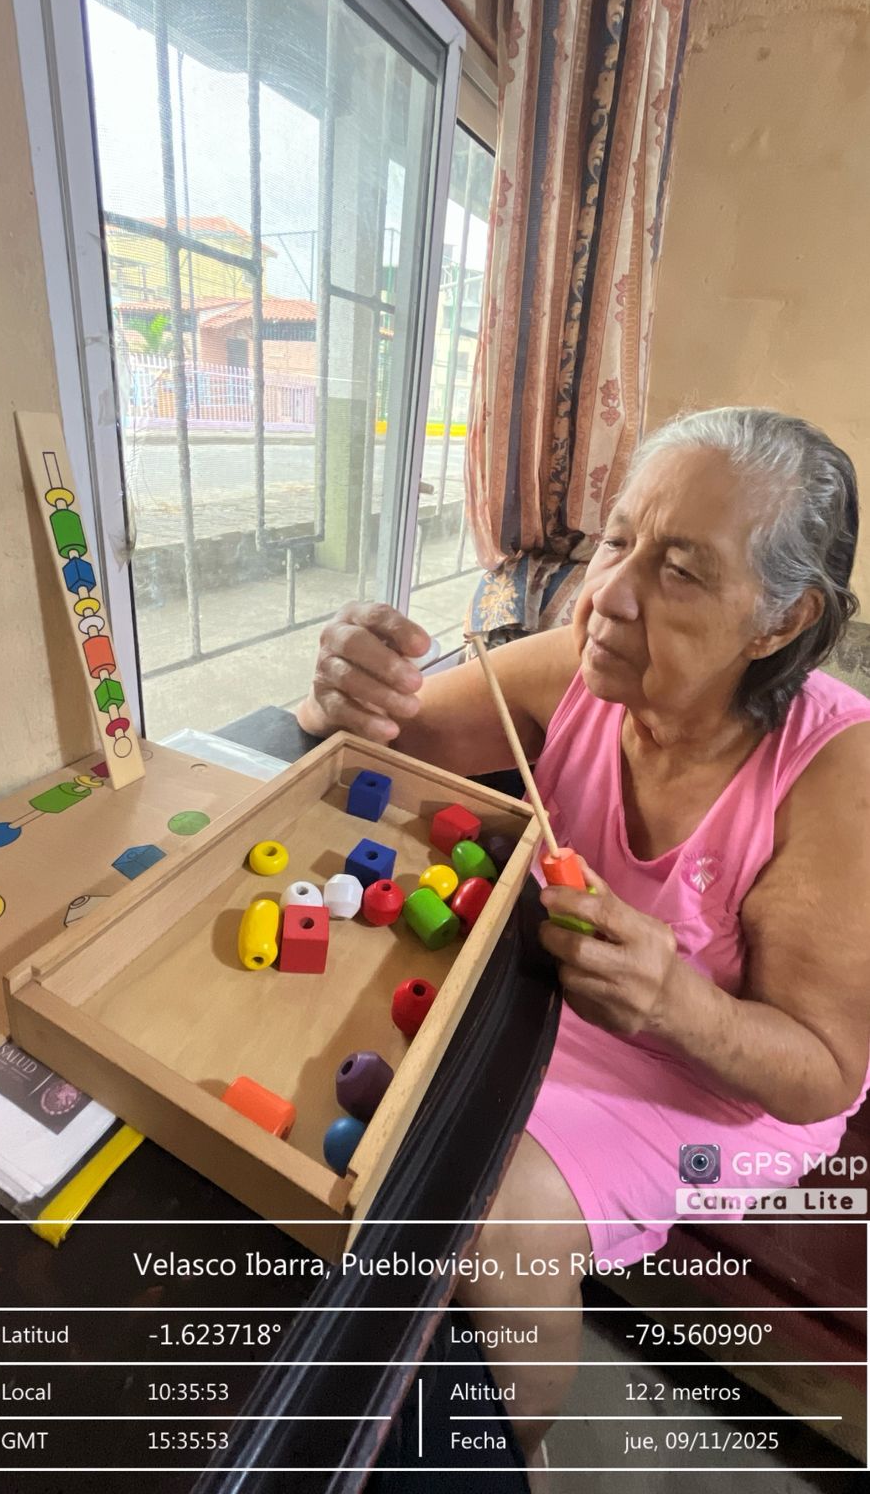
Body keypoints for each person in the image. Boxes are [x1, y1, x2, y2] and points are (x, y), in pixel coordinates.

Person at [297, 408, 870, 1474]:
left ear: (780, 620)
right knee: (351, 1089)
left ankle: (514, 1451)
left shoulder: (835, 774)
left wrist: (678, 1003)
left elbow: (823, 1074)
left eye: (681, 571)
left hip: (718, 1086)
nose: (607, 594)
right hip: (545, 997)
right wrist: (342, 687)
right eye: (617, 540)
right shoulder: (586, 662)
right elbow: (380, 740)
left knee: (495, 1196)